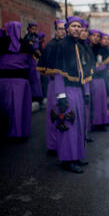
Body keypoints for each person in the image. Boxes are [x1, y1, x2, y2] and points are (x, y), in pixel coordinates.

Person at [0, 21, 42, 139]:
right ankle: (18, 133)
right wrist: (33, 81)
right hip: (21, 83)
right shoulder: (26, 45)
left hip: (3, 83)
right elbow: (32, 66)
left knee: (4, 108)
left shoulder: (0, 44)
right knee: (20, 108)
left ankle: (4, 133)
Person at [53, 16, 92, 173]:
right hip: (67, 90)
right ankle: (67, 160)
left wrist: (87, 92)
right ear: (67, 28)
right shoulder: (61, 46)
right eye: (73, 26)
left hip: (79, 90)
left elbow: (85, 71)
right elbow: (58, 73)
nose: (77, 29)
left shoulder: (80, 47)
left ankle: (76, 156)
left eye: (79, 26)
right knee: (69, 126)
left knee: (79, 126)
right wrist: (61, 95)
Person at [37, 19, 66, 154]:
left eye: (64, 29)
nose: (62, 31)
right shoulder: (50, 46)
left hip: (68, 85)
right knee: (54, 115)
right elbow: (43, 68)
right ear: (55, 31)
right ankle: (53, 145)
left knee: (66, 115)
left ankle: (65, 145)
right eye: (60, 29)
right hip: (54, 84)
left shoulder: (69, 45)